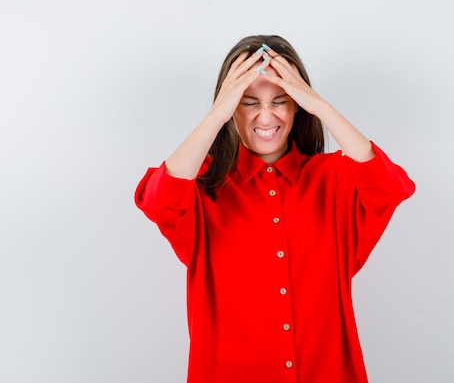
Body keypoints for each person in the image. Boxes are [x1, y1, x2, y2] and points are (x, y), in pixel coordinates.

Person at [135, 34, 415, 383]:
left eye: (280, 100)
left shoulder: (334, 179)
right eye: (248, 101)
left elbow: (390, 187)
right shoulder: (202, 186)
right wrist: (217, 115)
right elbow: (159, 202)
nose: (265, 116)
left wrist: (320, 105)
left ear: (297, 104)